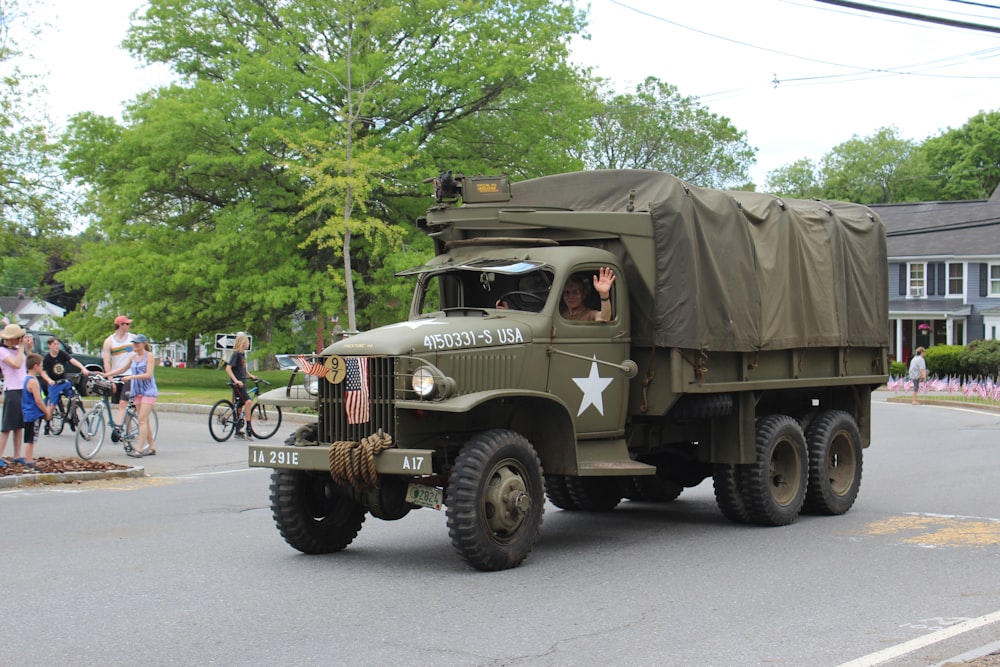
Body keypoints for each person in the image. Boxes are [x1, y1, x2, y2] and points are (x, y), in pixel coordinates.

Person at [105, 334, 158, 458]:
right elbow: (122, 369)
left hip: (148, 391)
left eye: (138, 343)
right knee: (144, 420)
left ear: (144, 344)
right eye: (134, 343)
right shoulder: (133, 357)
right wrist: (106, 374)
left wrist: (131, 377)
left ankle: (139, 450)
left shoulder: (149, 356)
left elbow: (148, 375)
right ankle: (152, 447)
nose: (135, 345)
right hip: (137, 391)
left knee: (142, 420)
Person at [40, 336, 91, 434]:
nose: (56, 346)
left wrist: (83, 368)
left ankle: (73, 416)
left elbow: (72, 361)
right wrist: (49, 380)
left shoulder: (62, 354)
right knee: (52, 405)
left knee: (74, 397)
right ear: (49, 346)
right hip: (54, 384)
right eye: (54, 344)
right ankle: (47, 424)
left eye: (57, 344)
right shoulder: (47, 358)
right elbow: (42, 372)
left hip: (64, 381)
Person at [0, 324, 32, 468]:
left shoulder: (17, 350)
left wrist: (27, 349)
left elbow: (28, 364)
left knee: (19, 425)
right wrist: (20, 349)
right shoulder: (2, 351)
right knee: (7, 426)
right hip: (12, 390)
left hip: (22, 388)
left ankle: (17, 455)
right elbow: (17, 364)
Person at [102, 315, 135, 425]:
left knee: (123, 403)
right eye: (127, 324)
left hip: (130, 375)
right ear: (121, 325)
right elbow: (106, 362)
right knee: (120, 404)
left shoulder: (133, 338)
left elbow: (144, 351)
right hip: (117, 375)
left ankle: (119, 428)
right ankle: (128, 429)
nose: (129, 326)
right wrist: (110, 379)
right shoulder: (109, 342)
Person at [21, 353, 52, 469]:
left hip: (30, 414)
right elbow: (38, 400)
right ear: (35, 366)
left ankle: (29, 460)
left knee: (31, 438)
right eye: (41, 365)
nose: (42, 367)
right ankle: (29, 462)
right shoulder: (32, 382)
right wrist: (46, 411)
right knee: (31, 439)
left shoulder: (28, 379)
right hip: (33, 414)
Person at [225, 333, 258, 440]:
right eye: (247, 342)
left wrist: (250, 375)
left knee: (239, 406)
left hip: (242, 382)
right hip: (238, 384)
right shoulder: (236, 354)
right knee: (248, 402)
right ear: (242, 342)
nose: (248, 344)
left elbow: (243, 368)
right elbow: (228, 368)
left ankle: (237, 430)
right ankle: (249, 429)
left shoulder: (242, 354)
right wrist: (236, 381)